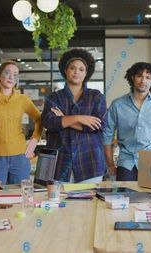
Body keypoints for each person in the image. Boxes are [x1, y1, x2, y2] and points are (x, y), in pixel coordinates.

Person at [103, 62, 151, 181]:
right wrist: (110, 165)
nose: (143, 80)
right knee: (126, 198)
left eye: (148, 77)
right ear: (133, 77)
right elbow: (107, 136)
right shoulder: (117, 105)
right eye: (139, 76)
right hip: (126, 162)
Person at [42, 48, 107, 183]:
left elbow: (99, 125)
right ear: (65, 71)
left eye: (81, 69)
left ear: (86, 73)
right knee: (59, 203)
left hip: (90, 163)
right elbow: (48, 122)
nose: (76, 72)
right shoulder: (54, 98)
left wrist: (64, 119)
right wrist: (79, 118)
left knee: (90, 203)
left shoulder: (96, 96)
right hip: (59, 164)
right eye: (72, 68)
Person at [0, 61, 43, 184]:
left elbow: (40, 119)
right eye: (7, 73)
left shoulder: (22, 100)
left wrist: (35, 139)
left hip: (20, 158)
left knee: (20, 197)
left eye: (15, 74)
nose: (11, 77)